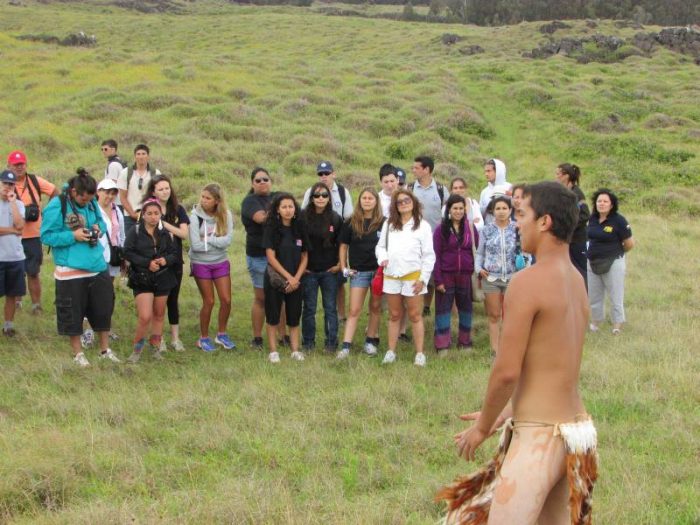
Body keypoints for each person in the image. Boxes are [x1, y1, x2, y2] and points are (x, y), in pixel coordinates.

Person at [438, 181, 597, 525]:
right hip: (576, 433)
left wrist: (481, 428)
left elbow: (507, 370)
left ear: (545, 222)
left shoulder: (528, 281)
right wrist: (506, 410)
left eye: (522, 214)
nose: (516, 222)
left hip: (541, 436)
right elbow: (554, 366)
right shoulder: (575, 280)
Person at [40, 169, 119, 367]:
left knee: (103, 309)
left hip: (97, 265)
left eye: (90, 200)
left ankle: (104, 350)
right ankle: (78, 354)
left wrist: (98, 229)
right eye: (83, 200)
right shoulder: (57, 205)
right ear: (74, 192)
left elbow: (100, 220)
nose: (87, 203)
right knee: (73, 313)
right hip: (70, 270)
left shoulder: (91, 201)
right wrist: (72, 236)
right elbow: (46, 236)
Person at [375, 189, 435, 367]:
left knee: (415, 315)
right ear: (395, 205)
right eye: (399, 202)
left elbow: (429, 255)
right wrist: (382, 257)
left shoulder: (422, 225)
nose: (403, 203)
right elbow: (381, 247)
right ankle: (391, 351)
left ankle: (419, 354)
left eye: (406, 200)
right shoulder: (389, 224)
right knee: (394, 315)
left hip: (413, 277)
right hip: (392, 276)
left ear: (413, 202)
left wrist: (423, 278)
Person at [123, 199, 178, 363]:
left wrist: (164, 261)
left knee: (159, 315)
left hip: (163, 278)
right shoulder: (135, 231)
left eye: (156, 213)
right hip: (142, 278)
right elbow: (127, 252)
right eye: (149, 214)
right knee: (145, 316)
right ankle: (137, 351)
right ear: (143, 215)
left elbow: (174, 254)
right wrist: (147, 263)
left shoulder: (165, 233)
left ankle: (155, 349)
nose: (153, 217)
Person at [240, 167, 288, 349]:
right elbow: (261, 218)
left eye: (265, 179)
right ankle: (258, 337)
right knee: (261, 298)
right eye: (258, 180)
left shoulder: (278, 196)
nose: (262, 183)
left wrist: (285, 209)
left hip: (280, 255)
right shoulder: (249, 201)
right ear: (252, 183)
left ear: (271, 181)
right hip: (258, 256)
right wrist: (284, 212)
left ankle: (283, 335)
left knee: (281, 296)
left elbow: (292, 209)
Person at [6, 150, 59, 314]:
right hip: (12, 235)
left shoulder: (35, 180)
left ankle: (36, 306)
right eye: (16, 165)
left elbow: (55, 192)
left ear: (26, 164)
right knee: (15, 272)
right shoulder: (5, 184)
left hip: (33, 235)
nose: (19, 167)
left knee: (33, 271)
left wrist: (47, 212)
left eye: (21, 164)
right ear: (9, 166)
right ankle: (16, 302)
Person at [302, 161, 353, 323]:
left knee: (339, 282)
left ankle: (341, 315)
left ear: (333, 174)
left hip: (336, 240)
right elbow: (303, 214)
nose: (324, 176)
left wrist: (341, 258)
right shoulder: (311, 190)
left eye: (327, 173)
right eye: (321, 174)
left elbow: (348, 217)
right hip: (315, 245)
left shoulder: (343, 192)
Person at [143, 175, 189, 352]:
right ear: (153, 191)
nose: (165, 191)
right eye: (161, 189)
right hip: (155, 261)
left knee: (173, 299)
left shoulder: (178, 209)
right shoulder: (148, 209)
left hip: (175, 260)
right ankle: (158, 338)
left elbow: (184, 234)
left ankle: (175, 338)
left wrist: (164, 224)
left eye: (167, 188)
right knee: (158, 302)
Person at [337, 188, 385, 359]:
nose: (367, 201)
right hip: (358, 272)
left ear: (376, 201)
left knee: (375, 307)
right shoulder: (350, 222)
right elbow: (343, 246)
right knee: (354, 309)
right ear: (359, 201)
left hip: (379, 272)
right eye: (364, 198)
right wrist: (344, 267)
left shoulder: (384, 222)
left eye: (370, 198)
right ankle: (346, 346)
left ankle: (370, 342)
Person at [262, 193, 309, 363]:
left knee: (294, 317)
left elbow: (305, 256)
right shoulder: (271, 229)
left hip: (296, 280)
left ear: (295, 209)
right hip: (276, 279)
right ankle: (273, 351)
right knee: (273, 315)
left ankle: (295, 350)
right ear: (277, 210)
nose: (288, 210)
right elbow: (271, 257)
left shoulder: (300, 228)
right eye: (284, 207)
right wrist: (289, 277)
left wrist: (296, 278)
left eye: (291, 206)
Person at [189, 183, 235, 351]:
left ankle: (221, 334)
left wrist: (208, 240)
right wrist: (217, 241)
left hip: (221, 261)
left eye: (208, 198)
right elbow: (195, 245)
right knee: (209, 301)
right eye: (202, 197)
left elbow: (227, 241)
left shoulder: (226, 215)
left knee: (226, 300)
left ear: (217, 201)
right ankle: (203, 338)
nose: (203, 200)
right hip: (201, 263)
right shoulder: (195, 216)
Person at [80, 178, 125, 347]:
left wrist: (123, 255)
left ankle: (105, 327)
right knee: (94, 296)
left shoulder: (116, 210)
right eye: (106, 191)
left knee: (107, 296)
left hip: (112, 257)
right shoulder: (91, 209)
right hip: (96, 258)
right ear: (98, 192)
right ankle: (89, 331)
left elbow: (120, 234)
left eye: (113, 192)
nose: (109, 196)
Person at [301, 182, 343, 352]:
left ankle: (331, 343)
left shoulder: (335, 218)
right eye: (316, 195)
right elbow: (298, 244)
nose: (320, 198)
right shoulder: (302, 217)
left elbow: (342, 244)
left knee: (330, 308)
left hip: (329, 270)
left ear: (329, 198)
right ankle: (308, 343)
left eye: (324, 195)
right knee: (309, 308)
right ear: (311, 198)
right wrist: (300, 267)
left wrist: (340, 264)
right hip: (309, 270)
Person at [433, 194, 478, 355]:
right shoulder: (440, 229)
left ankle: (465, 342)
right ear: (449, 210)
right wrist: (438, 280)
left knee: (466, 309)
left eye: (461, 208)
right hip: (446, 275)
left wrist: (473, 269)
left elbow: (475, 251)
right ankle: (442, 344)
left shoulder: (470, 228)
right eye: (455, 208)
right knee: (443, 309)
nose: (458, 211)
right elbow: (435, 256)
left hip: (465, 276)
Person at [587, 188, 634, 335]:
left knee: (615, 295)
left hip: (613, 262)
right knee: (594, 296)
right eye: (599, 201)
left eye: (605, 201)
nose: (601, 204)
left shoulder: (619, 221)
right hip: (592, 261)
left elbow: (629, 243)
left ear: (611, 204)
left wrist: (616, 253)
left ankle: (617, 325)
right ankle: (595, 323)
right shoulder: (592, 219)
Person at [475, 196, 518, 355]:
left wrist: (524, 270)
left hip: (512, 278)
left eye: (504, 208)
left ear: (510, 210)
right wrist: (478, 268)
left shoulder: (517, 229)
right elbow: (480, 253)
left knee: (510, 314)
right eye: (498, 208)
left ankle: (509, 347)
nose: (501, 212)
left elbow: (525, 251)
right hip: (491, 278)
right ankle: (495, 349)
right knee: (494, 314)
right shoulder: (486, 230)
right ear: (493, 211)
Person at [408, 156, 445, 316]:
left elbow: (448, 212)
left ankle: (426, 307)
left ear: (427, 169)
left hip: (435, 239)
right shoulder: (410, 188)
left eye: (416, 168)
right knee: (414, 270)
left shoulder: (441, 189)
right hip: (413, 239)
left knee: (430, 273)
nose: (413, 170)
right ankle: (413, 303)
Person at [0, 169, 26, 337]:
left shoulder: (19, 204)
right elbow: (14, 229)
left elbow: (20, 226)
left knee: (12, 294)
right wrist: (12, 230)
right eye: (4, 183)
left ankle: (8, 326)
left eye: (11, 184)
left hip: (15, 257)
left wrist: (12, 203)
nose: (8, 187)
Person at [556, 163, 590, 286]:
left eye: (558, 174)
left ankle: (583, 299)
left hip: (577, 240)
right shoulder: (563, 192)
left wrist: (568, 225)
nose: (556, 177)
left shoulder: (577, 194)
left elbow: (585, 215)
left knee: (580, 271)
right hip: (566, 240)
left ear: (566, 176)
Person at [116, 144, 160, 235]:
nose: (141, 156)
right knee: (131, 244)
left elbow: (159, 195)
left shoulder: (155, 173)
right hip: (130, 216)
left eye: (143, 154)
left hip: (150, 215)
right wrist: (132, 214)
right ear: (135, 156)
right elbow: (123, 197)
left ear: (148, 156)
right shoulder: (126, 173)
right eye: (138, 154)